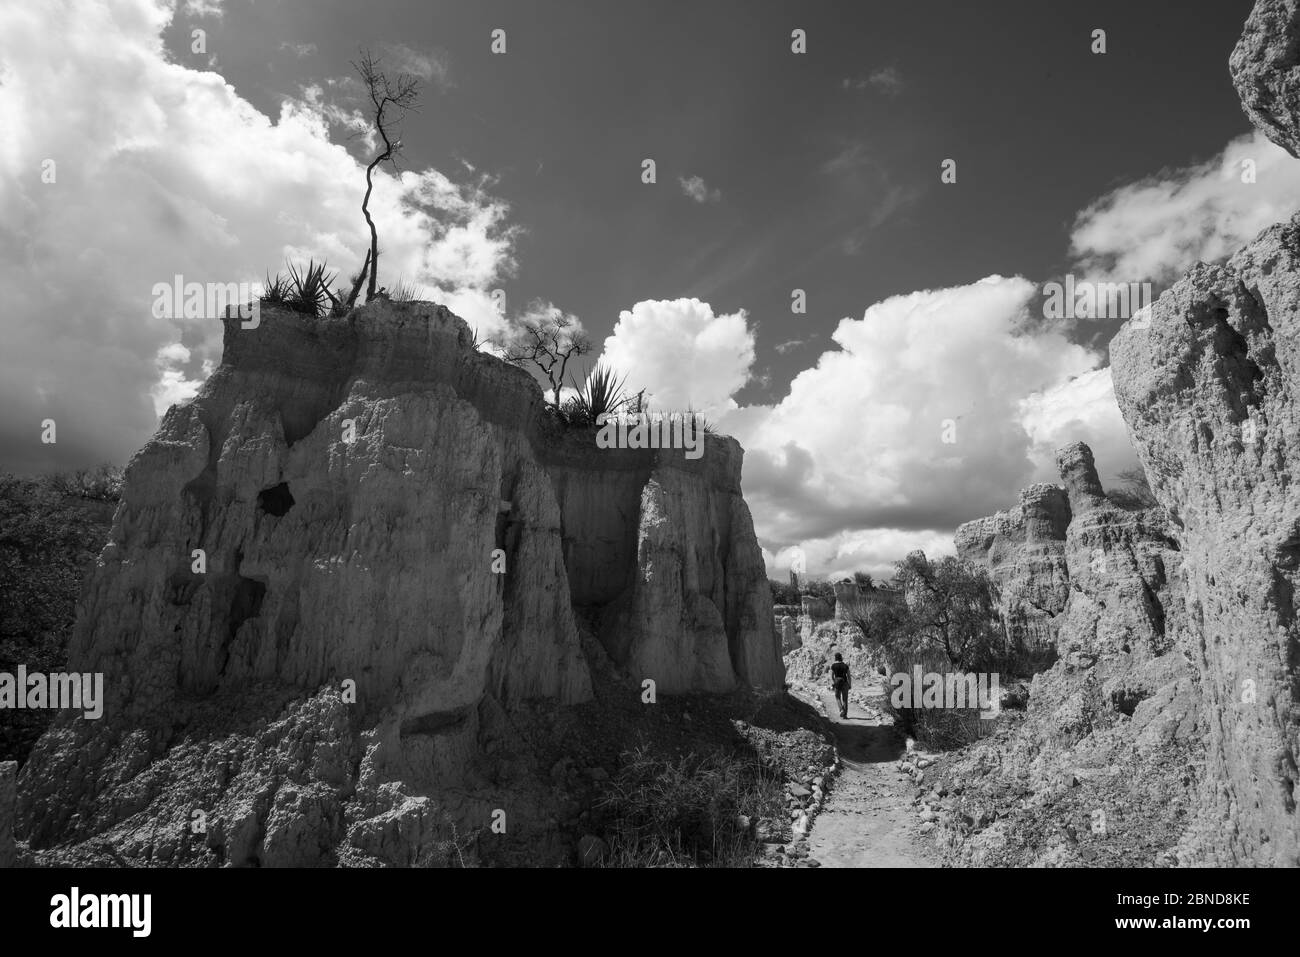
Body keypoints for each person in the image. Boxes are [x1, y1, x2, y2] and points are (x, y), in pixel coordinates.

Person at [830, 653, 851, 719]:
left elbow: (832, 676)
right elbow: (849, 676)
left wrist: (834, 682)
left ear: (835, 658)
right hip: (845, 683)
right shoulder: (845, 666)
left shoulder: (833, 666)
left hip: (837, 683)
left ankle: (841, 709)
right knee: (845, 699)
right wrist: (849, 684)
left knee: (837, 697)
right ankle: (845, 715)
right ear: (841, 657)